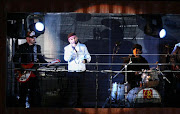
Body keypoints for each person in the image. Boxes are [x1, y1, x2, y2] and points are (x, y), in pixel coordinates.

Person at [13, 30, 50, 108]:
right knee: (23, 91)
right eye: (32, 37)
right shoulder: (22, 47)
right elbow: (15, 58)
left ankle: (34, 108)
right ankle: (21, 108)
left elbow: (40, 58)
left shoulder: (37, 47)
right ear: (27, 38)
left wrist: (47, 63)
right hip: (24, 72)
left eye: (35, 37)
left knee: (34, 91)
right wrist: (21, 68)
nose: (34, 38)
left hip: (33, 72)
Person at [64, 32, 91, 107]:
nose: (73, 40)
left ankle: (80, 106)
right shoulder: (67, 48)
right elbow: (66, 59)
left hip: (81, 71)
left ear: (77, 38)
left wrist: (85, 60)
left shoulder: (83, 46)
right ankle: (72, 106)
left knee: (81, 90)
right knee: (72, 90)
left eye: (74, 38)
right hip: (72, 72)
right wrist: (72, 52)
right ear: (69, 40)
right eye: (71, 39)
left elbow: (88, 57)